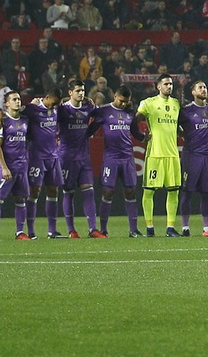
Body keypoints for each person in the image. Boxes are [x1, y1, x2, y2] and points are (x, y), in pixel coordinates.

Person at [136, 73, 183, 237]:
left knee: (174, 191)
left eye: (171, 84)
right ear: (158, 86)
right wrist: (142, 137)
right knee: (149, 191)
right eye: (166, 84)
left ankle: (170, 228)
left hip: (172, 154)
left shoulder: (176, 104)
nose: (169, 87)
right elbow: (134, 121)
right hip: (155, 154)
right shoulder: (149, 103)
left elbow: (180, 127)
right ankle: (149, 227)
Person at [89, 86, 139, 237]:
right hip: (111, 157)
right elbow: (91, 128)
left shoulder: (130, 113)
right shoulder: (104, 111)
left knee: (130, 191)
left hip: (127, 157)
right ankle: (103, 229)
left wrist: (145, 138)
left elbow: (135, 132)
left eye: (126, 102)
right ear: (115, 96)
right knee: (108, 191)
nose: (123, 104)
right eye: (121, 101)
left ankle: (133, 229)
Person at [56, 80, 97, 238]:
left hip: (84, 157)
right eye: (78, 90)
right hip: (66, 157)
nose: (81, 93)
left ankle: (93, 229)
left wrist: (89, 131)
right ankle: (71, 230)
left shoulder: (89, 107)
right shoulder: (63, 109)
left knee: (89, 192)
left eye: (83, 90)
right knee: (69, 192)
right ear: (70, 93)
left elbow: (100, 118)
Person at [0, 90, 31, 242]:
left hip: (21, 167)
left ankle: (20, 232)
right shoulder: (2, 122)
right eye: (14, 99)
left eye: (19, 99)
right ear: (6, 103)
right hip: (6, 167)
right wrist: (4, 167)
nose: (17, 101)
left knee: (21, 200)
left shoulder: (26, 120)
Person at [178, 80, 208, 237]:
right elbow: (175, 126)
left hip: (207, 156)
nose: (203, 90)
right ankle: (185, 227)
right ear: (193, 92)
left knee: (206, 193)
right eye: (200, 88)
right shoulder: (186, 111)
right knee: (187, 191)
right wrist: (185, 135)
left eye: (205, 87)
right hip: (191, 155)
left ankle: (207, 228)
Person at [22, 88, 65, 239]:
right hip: (36, 157)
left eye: (56, 105)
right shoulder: (33, 109)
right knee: (34, 192)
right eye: (53, 103)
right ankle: (31, 231)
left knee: (53, 191)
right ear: (46, 97)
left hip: (53, 157)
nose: (54, 107)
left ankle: (52, 231)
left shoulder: (57, 108)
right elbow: (16, 113)